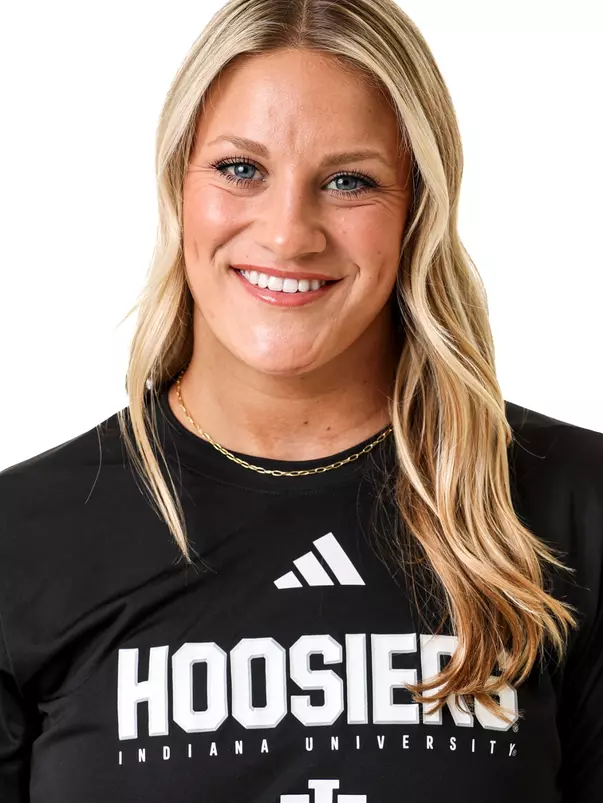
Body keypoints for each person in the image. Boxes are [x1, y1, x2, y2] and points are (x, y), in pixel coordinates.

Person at [1, 0, 601, 800]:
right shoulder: (22, 536)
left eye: (349, 181)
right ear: (178, 184)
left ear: (418, 207)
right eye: (240, 169)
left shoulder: (574, 505)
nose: (288, 233)